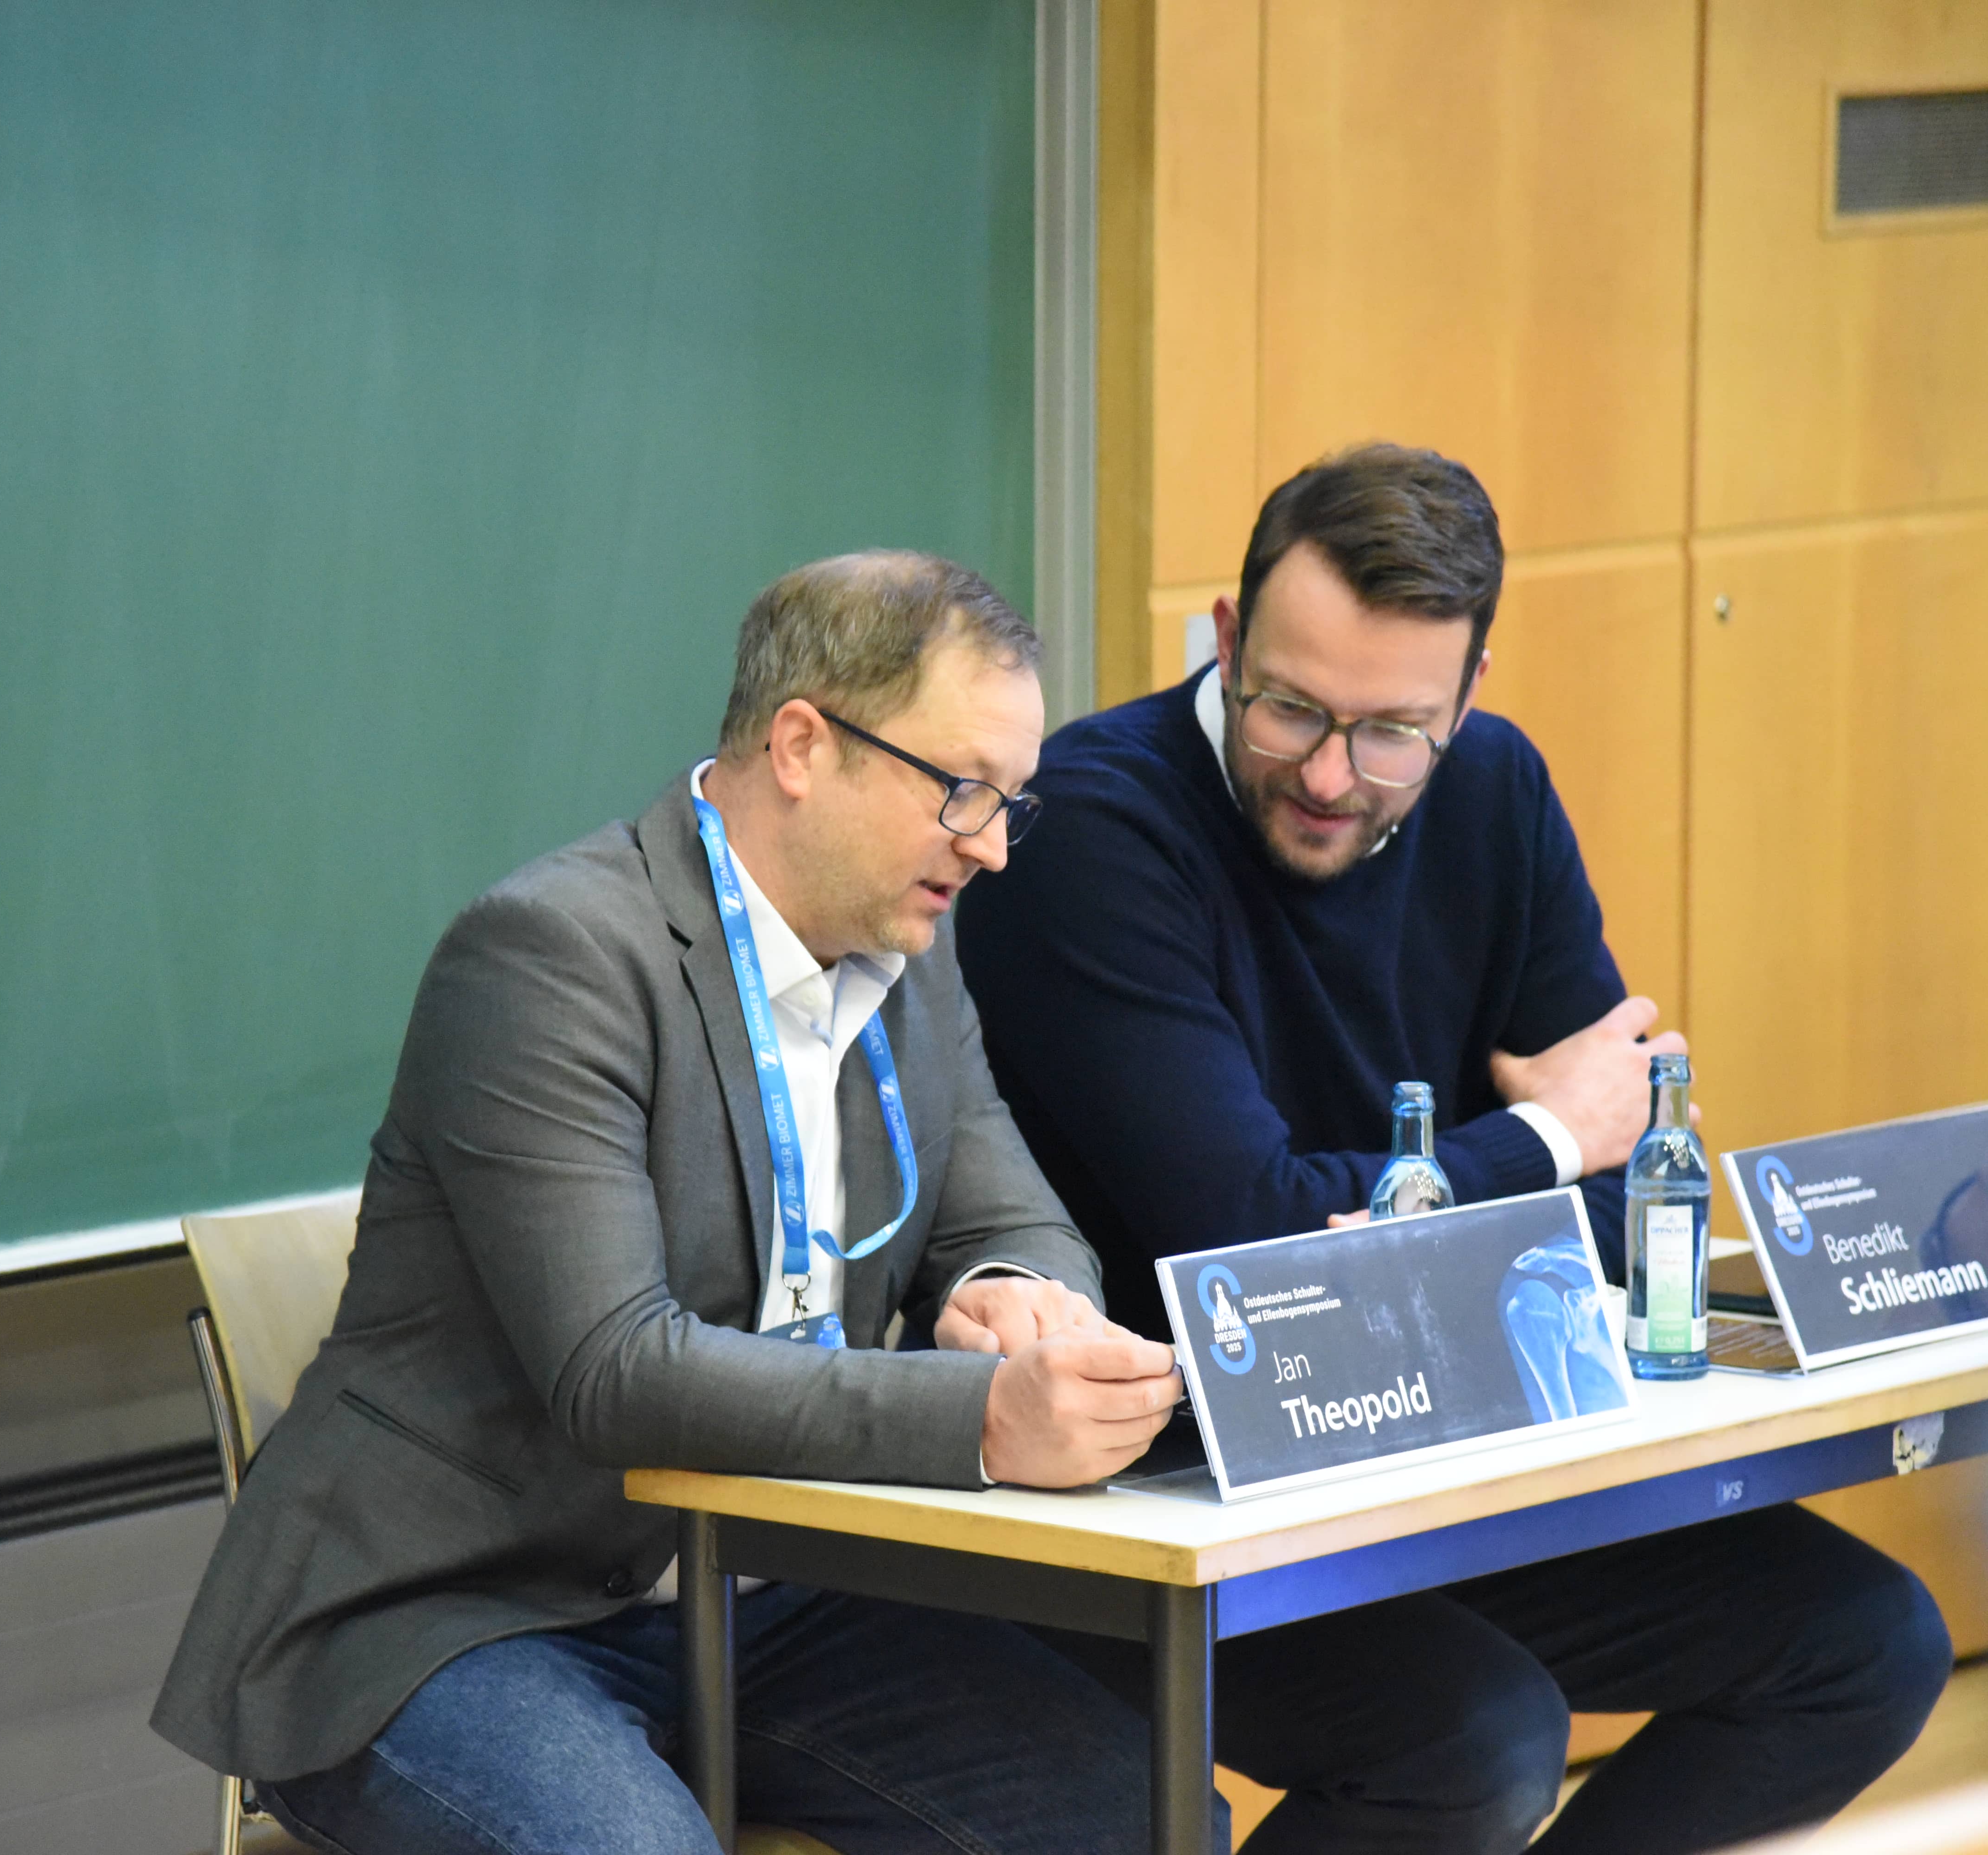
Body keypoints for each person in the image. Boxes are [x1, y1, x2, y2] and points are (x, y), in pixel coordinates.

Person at [954, 445, 1953, 1854]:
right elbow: (1253, 1243)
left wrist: (1503, 1180)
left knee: (1867, 1644)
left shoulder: (1494, 787)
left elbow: (1620, 1200)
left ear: (1469, 695)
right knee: (1478, 1742)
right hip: (1176, 1480)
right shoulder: (1091, 827)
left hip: (1444, 1440)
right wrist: (1541, 1134)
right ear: (1228, 639)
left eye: (1393, 731)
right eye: (1292, 708)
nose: (1331, 773)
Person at [151, 551, 1206, 1855]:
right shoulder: (553, 956)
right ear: (804, 746)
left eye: (1011, 804)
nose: (990, 847)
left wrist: (1024, 1302)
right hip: (460, 1612)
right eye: (961, 791)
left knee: (1148, 1819)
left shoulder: (910, 951)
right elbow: (617, 1372)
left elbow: (1010, 1219)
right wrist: (985, 1418)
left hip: (766, 1587)